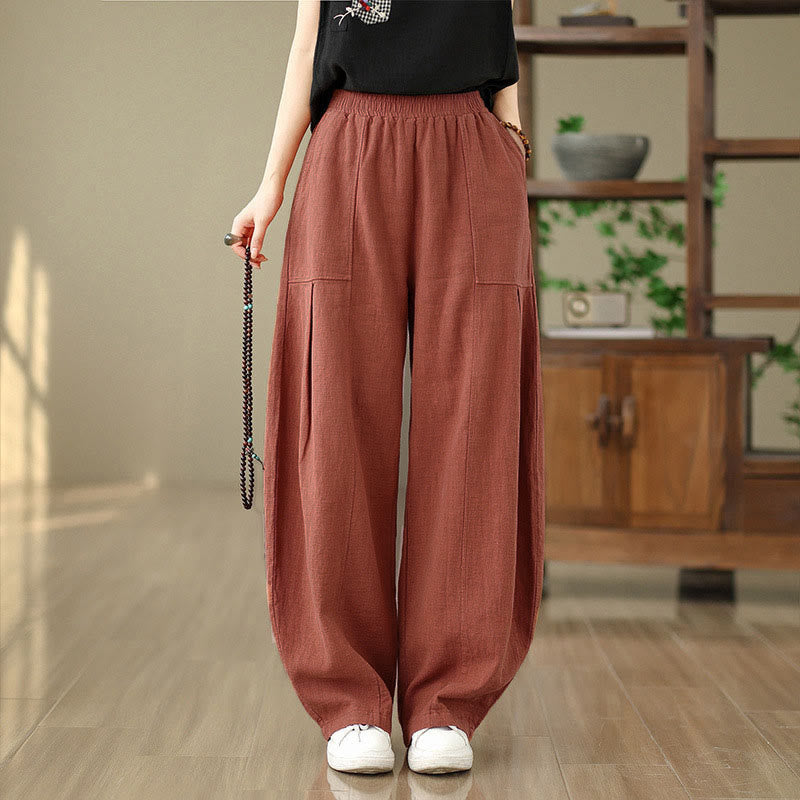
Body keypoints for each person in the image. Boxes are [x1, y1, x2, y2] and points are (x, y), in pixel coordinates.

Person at [229, 0, 545, 776]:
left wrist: (511, 142)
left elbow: (499, 30)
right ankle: (350, 704)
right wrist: (272, 185)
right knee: (332, 422)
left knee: (476, 422)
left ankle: (448, 703)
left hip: (471, 148)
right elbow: (307, 45)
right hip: (349, 147)